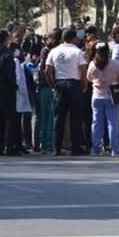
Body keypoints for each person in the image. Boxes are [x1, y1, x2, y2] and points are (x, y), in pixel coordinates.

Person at [45, 28, 88, 156]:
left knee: (59, 117)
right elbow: (83, 69)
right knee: (76, 117)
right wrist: (84, 84)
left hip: (59, 84)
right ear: (73, 38)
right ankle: (76, 147)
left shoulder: (54, 51)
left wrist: (53, 85)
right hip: (74, 85)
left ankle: (56, 148)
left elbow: (47, 71)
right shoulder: (77, 52)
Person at [86, 42, 119, 156]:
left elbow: (89, 78)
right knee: (113, 123)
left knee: (96, 123)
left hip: (97, 95)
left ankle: (95, 149)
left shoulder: (92, 64)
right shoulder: (116, 64)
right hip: (112, 95)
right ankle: (115, 149)